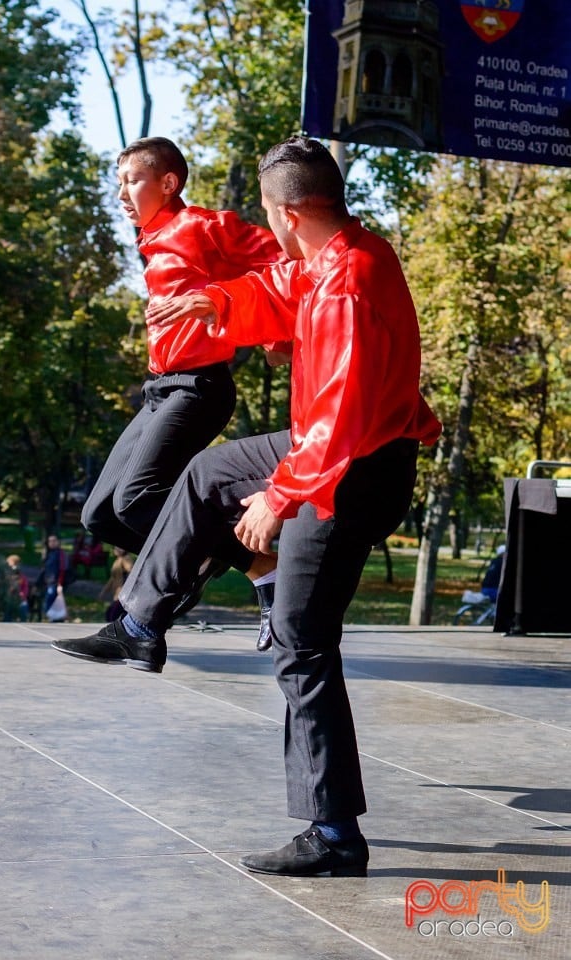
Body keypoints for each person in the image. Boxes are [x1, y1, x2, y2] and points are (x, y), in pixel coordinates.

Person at [53, 136, 441, 877]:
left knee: (303, 639)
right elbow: (282, 289)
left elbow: (340, 418)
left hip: (351, 469)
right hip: (334, 448)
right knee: (205, 475)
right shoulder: (344, 254)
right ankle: (140, 624)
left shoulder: (349, 287)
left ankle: (334, 836)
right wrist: (221, 299)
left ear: (285, 211)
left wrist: (279, 495)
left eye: (267, 211)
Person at [80, 136, 284, 647]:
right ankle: (204, 551)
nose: (122, 193)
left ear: (168, 183)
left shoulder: (201, 227)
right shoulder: (154, 241)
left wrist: (273, 331)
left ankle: (263, 565)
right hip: (160, 390)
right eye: (118, 182)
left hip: (200, 387)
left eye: (132, 181)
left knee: (136, 500)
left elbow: (287, 255)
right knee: (100, 513)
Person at [36, 534, 72, 619]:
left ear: (58, 542)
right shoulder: (49, 554)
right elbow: (45, 570)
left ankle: (56, 619)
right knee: (49, 602)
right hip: (48, 582)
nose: (52, 543)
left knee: (50, 601)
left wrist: (60, 583)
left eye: (54, 540)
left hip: (55, 583)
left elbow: (63, 569)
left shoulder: (61, 554)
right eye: (50, 541)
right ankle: (54, 619)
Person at [98, 547, 134, 622]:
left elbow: (131, 572)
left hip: (123, 595)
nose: (115, 549)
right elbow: (112, 579)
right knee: (110, 614)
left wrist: (127, 586)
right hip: (117, 594)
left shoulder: (126, 559)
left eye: (119, 548)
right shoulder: (118, 560)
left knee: (112, 615)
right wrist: (104, 592)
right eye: (115, 548)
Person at [4, 554, 30, 622]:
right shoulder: (6, 577)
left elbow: (25, 587)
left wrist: (23, 594)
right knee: (7, 612)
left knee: (23, 607)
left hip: (20, 600)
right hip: (10, 600)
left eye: (13, 565)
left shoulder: (22, 577)